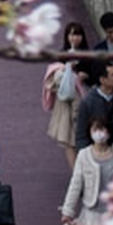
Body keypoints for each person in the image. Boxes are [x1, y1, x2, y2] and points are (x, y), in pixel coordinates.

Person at [46, 22, 91, 170]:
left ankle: (84, 170)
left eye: (77, 34)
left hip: (83, 100)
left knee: (83, 137)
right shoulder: (62, 55)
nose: (74, 38)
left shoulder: (89, 55)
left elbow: (96, 75)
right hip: (65, 102)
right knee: (68, 139)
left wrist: (85, 76)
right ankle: (76, 173)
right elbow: (54, 78)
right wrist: (66, 70)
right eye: (71, 34)